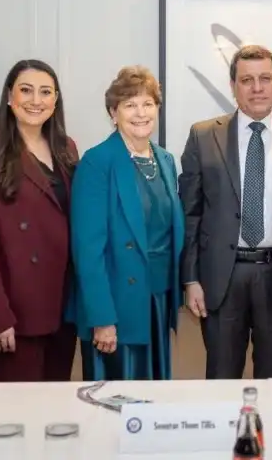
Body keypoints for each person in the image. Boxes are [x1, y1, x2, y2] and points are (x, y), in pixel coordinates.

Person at [179, 44, 272, 379]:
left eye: (265, 79)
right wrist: (191, 278)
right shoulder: (203, 136)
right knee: (222, 379)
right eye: (247, 80)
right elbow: (190, 214)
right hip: (221, 278)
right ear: (233, 86)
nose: (257, 88)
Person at [0, 60, 78, 382]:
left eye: (46, 92)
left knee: (56, 405)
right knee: (16, 408)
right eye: (26, 90)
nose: (36, 100)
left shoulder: (66, 148)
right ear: (10, 97)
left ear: (56, 100)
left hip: (62, 305)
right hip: (14, 310)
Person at [67, 66, 184, 380]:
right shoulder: (97, 162)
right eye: (130, 105)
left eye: (148, 104)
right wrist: (102, 318)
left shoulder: (165, 160)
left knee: (154, 397)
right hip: (117, 306)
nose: (141, 113)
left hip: (157, 301)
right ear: (113, 113)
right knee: (120, 399)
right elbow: (87, 249)